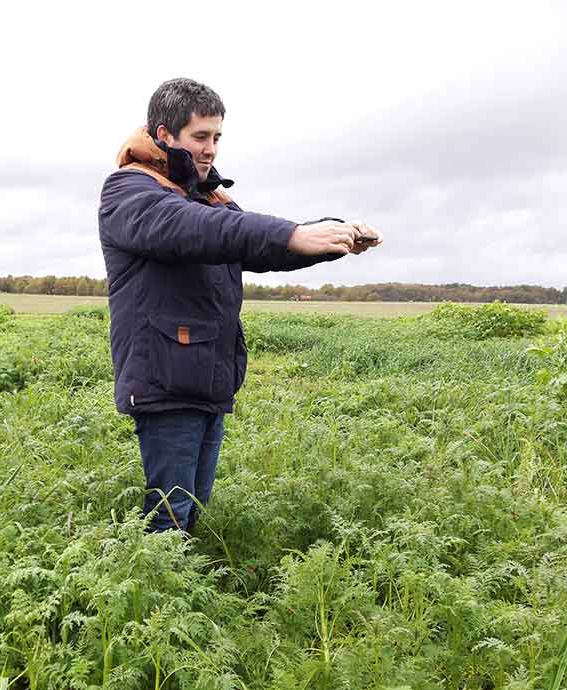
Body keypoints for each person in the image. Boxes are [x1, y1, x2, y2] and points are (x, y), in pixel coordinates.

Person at [98, 78, 382, 534]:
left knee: (194, 510)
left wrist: (332, 237)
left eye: (216, 137)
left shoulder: (207, 195)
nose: (211, 149)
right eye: (200, 137)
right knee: (169, 520)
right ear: (164, 134)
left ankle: (185, 594)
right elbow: (198, 229)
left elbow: (255, 246)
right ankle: (157, 598)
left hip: (208, 374)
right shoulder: (129, 193)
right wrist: (290, 232)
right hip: (166, 379)